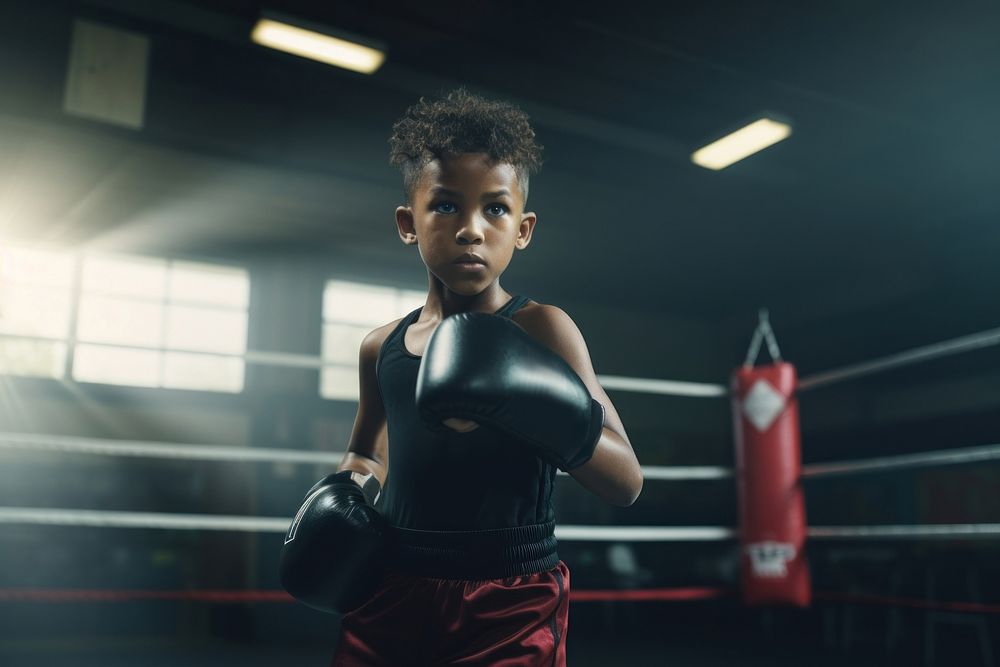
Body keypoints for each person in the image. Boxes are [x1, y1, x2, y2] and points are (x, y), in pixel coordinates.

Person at [280, 89, 643, 666]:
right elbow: (366, 453)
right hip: (394, 588)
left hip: (511, 599)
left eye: (495, 209)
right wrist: (343, 496)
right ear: (408, 222)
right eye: (446, 206)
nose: (471, 229)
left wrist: (538, 405)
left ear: (523, 230)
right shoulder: (382, 348)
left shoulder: (544, 329)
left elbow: (625, 481)